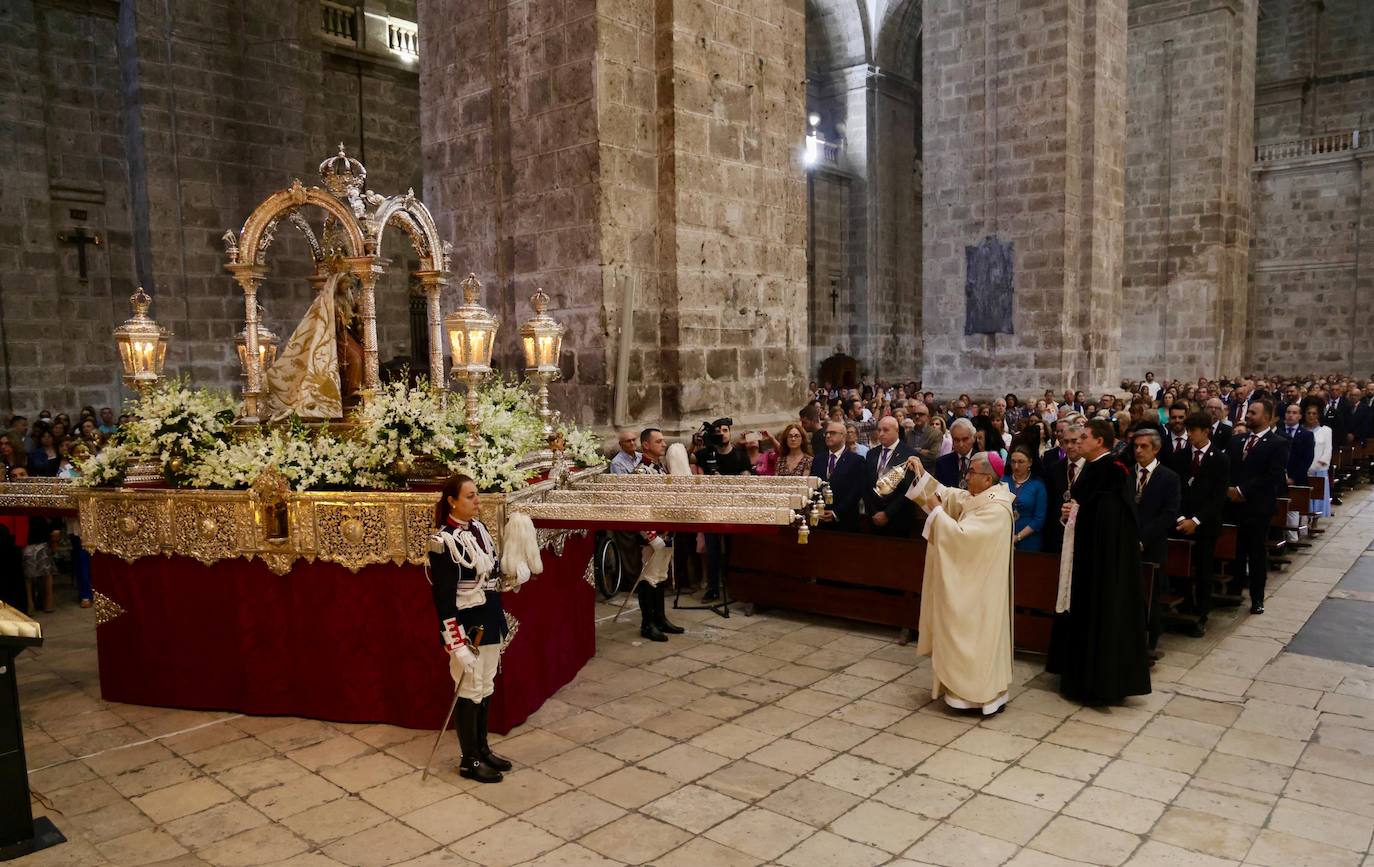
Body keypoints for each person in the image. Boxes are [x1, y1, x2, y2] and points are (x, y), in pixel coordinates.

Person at [900, 452, 1015, 714]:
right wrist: (920, 474)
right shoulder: (978, 496)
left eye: (972, 472)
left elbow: (963, 539)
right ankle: (958, 691)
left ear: (987, 479)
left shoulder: (996, 509)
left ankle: (977, 695)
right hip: (973, 586)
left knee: (975, 638)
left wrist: (937, 512)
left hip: (980, 593)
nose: (967, 475)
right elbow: (950, 494)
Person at [1048, 418, 1152, 705]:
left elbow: (1106, 520)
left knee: (1100, 614)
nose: (1077, 442)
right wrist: (1071, 512)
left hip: (1102, 563)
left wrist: (1076, 514)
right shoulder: (1095, 468)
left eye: (1083, 437)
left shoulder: (1112, 470)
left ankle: (1097, 684)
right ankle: (1080, 678)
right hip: (1087, 555)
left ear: (1099, 442)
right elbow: (1086, 510)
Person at [427, 474, 511, 784]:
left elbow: (491, 569)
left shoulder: (479, 529)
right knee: (469, 688)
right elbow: (443, 597)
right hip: (467, 624)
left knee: (486, 685)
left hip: (489, 616)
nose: (477, 501)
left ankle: (483, 749)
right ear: (452, 501)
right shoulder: (442, 541)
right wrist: (455, 642)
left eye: (477, 495)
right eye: (470, 496)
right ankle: (469, 760)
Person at [612, 429, 684, 642]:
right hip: (651, 538)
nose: (664, 444)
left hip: (666, 532)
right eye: (659, 441)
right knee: (649, 578)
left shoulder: (660, 467)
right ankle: (647, 623)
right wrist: (651, 536)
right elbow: (636, 508)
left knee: (661, 577)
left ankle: (660, 618)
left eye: (663, 441)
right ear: (646, 445)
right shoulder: (641, 473)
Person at [1225, 398, 1290, 615]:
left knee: (1255, 555)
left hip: (1257, 508)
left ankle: (1257, 598)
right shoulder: (1237, 441)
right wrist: (1230, 489)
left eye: (1253, 413)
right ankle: (1233, 591)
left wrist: (1242, 491)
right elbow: (1229, 469)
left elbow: (1273, 476)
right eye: (1249, 412)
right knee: (1235, 551)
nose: (1248, 416)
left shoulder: (1278, 443)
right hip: (1234, 506)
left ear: (1266, 417)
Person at [1169, 411, 1230, 636]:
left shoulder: (1220, 458)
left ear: (1206, 431)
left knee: (1203, 571)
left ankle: (1202, 614)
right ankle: (1184, 608)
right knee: (1181, 568)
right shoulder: (1180, 456)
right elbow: (1175, 490)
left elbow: (1218, 496)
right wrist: (1180, 518)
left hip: (1205, 524)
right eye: (1188, 431)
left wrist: (1196, 520)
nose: (1190, 435)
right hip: (1181, 522)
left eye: (1193, 431)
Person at [1129, 429, 1181, 656]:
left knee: (1151, 594)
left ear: (1156, 448)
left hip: (1152, 545)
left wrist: (1142, 539)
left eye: (1144, 446)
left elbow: (1168, 514)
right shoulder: (1127, 475)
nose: (1138, 451)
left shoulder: (1169, 477)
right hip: (1127, 543)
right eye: (1136, 446)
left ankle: (1150, 642)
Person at [863, 417, 918, 537]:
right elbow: (866, 485)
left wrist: (887, 514)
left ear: (896, 431)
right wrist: (873, 512)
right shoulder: (871, 454)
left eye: (885, 430)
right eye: (879, 430)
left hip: (898, 519)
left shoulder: (909, 455)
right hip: (874, 517)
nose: (881, 433)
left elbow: (908, 490)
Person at [813, 420, 863, 532]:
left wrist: (836, 512)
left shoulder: (856, 460)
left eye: (833, 433)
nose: (828, 435)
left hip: (844, 520)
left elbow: (856, 491)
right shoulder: (818, 459)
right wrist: (817, 509)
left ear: (844, 436)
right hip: (820, 519)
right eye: (827, 433)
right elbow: (813, 486)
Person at [1004, 446, 1047, 551]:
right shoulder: (1003, 482)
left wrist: (1017, 537)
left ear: (1030, 462)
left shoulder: (1038, 486)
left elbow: (1039, 519)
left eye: (1021, 462)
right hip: (1005, 537)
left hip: (1029, 540)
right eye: (1013, 462)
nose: (1016, 466)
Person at [1301, 397, 1332, 517]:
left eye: (1314, 413)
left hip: (1318, 470)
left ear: (1318, 415)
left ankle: (1315, 520)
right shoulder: (1301, 430)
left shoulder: (1326, 430)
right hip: (1303, 470)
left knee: (1318, 496)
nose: (1311, 416)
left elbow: (1327, 451)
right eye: (1308, 413)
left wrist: (1315, 467)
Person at [934, 418, 976, 488]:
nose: (961, 444)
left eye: (965, 439)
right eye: (956, 440)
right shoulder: (942, 463)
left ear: (973, 438)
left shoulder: (982, 461)